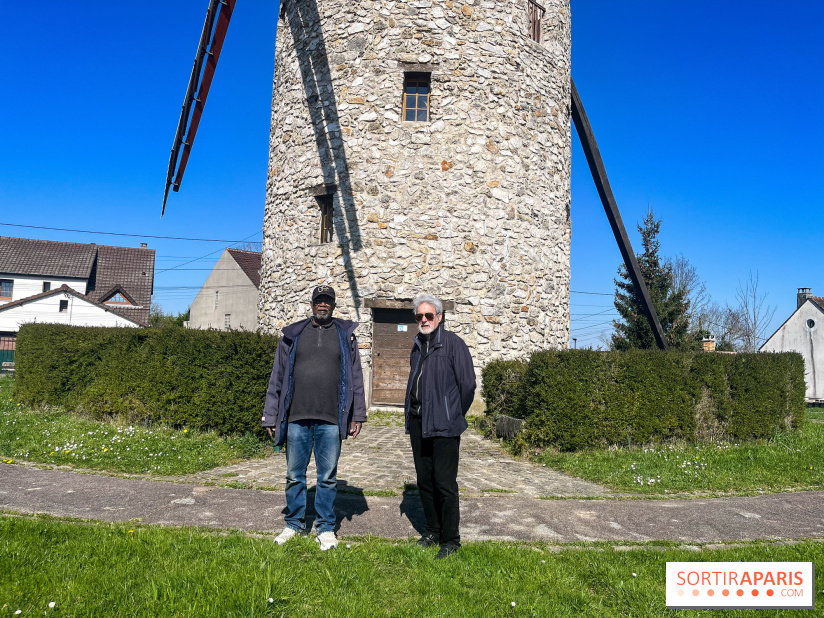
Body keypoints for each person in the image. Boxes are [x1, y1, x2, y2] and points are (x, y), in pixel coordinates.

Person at [262, 285, 366, 550]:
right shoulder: (293, 335)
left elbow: (355, 378)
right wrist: (271, 416)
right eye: (319, 301)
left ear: (332, 306)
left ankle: (326, 528)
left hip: (331, 419)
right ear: (312, 304)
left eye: (327, 302)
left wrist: (358, 415)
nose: (323, 305)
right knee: (294, 475)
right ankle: (294, 524)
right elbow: (277, 377)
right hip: (296, 417)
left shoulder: (345, 336)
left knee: (327, 477)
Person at [404, 293, 476, 559]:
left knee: (445, 484)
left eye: (429, 315)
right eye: (419, 316)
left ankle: (451, 540)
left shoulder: (454, 344)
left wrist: (451, 413)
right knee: (424, 481)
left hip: (445, 427)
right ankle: (432, 531)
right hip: (419, 424)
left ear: (440, 317)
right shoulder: (417, 346)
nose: (424, 320)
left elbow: (468, 385)